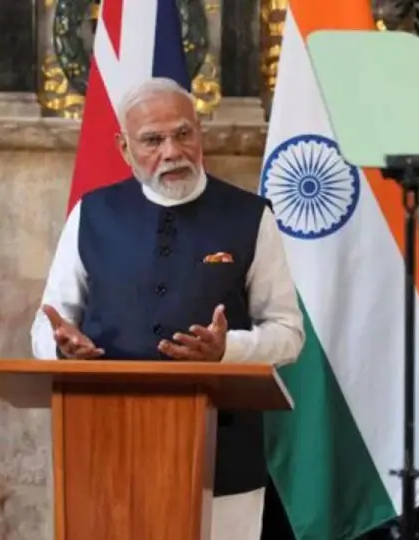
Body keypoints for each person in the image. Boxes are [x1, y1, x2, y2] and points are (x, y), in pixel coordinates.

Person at [30, 77, 305, 540]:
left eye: (183, 134)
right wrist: (61, 349)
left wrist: (227, 351)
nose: (172, 152)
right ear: (124, 148)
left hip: (223, 456)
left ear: (200, 132)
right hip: (105, 448)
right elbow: (48, 324)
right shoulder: (91, 214)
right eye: (152, 141)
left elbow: (288, 333)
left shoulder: (251, 216)